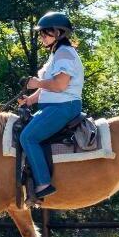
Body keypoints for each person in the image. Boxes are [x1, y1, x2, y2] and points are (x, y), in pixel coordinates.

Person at [17, 11, 84, 199]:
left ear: (58, 33)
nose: (42, 37)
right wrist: (29, 100)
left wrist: (36, 83)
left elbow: (60, 85)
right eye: (41, 33)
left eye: (45, 33)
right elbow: (48, 87)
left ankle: (43, 184)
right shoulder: (57, 54)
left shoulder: (63, 53)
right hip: (54, 107)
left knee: (28, 137)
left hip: (64, 106)